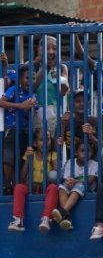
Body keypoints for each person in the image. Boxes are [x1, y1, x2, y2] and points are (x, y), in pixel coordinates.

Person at [8, 128, 58, 232]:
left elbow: (57, 174)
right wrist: (28, 159)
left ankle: (46, 219)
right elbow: (22, 177)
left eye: (48, 139)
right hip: (32, 187)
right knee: (19, 187)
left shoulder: (53, 155)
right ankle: (18, 220)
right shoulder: (31, 155)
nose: (45, 143)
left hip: (46, 188)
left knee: (53, 188)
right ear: (35, 143)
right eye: (41, 140)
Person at [1, 63, 37, 194]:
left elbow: (32, 115)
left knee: (22, 160)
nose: (31, 81)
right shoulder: (14, 89)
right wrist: (21, 105)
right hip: (12, 129)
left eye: (33, 78)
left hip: (25, 132)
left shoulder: (33, 95)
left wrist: (29, 109)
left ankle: (17, 186)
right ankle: (7, 185)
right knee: (8, 157)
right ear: (21, 79)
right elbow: (1, 102)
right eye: (28, 78)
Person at [53, 139, 98, 231]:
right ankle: (66, 218)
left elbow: (89, 180)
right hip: (72, 187)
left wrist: (75, 181)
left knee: (79, 186)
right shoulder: (70, 162)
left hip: (87, 188)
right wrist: (68, 182)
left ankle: (62, 211)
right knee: (62, 187)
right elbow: (66, 178)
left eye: (88, 151)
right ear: (76, 153)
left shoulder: (94, 164)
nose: (85, 153)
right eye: (82, 150)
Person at [33, 35, 69, 135]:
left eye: (54, 48)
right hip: (36, 113)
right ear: (39, 50)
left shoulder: (62, 67)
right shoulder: (32, 65)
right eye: (46, 48)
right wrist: (45, 67)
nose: (50, 52)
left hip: (55, 113)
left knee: (54, 145)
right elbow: (31, 88)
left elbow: (64, 91)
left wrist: (60, 80)